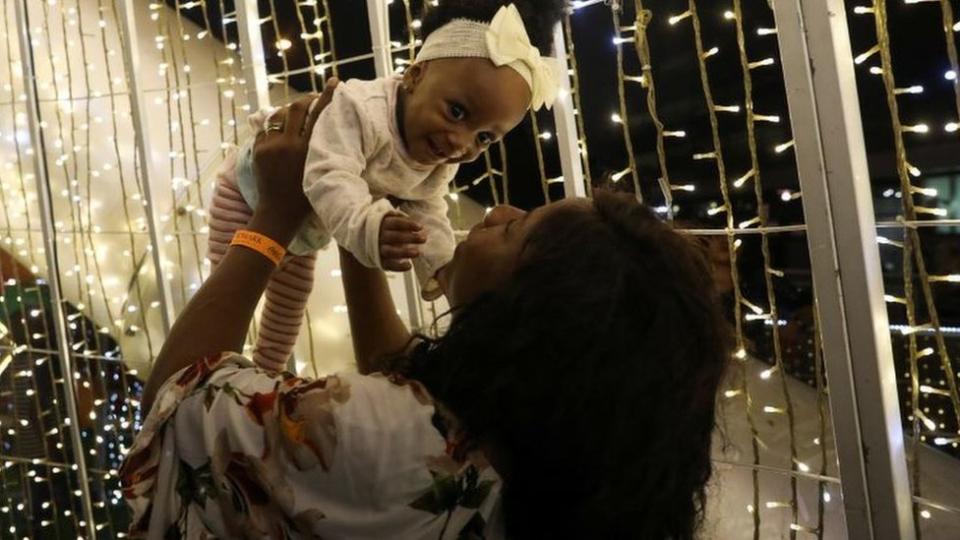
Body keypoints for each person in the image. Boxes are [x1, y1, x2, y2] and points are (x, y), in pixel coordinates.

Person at [121, 90, 730, 540]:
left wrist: (274, 217)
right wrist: (361, 222)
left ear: (530, 318)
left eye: (516, 230)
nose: (493, 215)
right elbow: (404, 372)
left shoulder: (376, 440)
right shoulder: (544, 461)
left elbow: (182, 397)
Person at [206, 0, 565, 372]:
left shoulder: (437, 159)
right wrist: (369, 225)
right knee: (227, 291)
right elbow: (329, 174)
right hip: (247, 193)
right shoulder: (361, 108)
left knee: (290, 305)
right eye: (456, 112)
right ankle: (210, 370)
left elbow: (429, 210)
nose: (462, 142)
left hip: (304, 228)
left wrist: (442, 266)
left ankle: (265, 375)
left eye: (485, 137)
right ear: (414, 75)